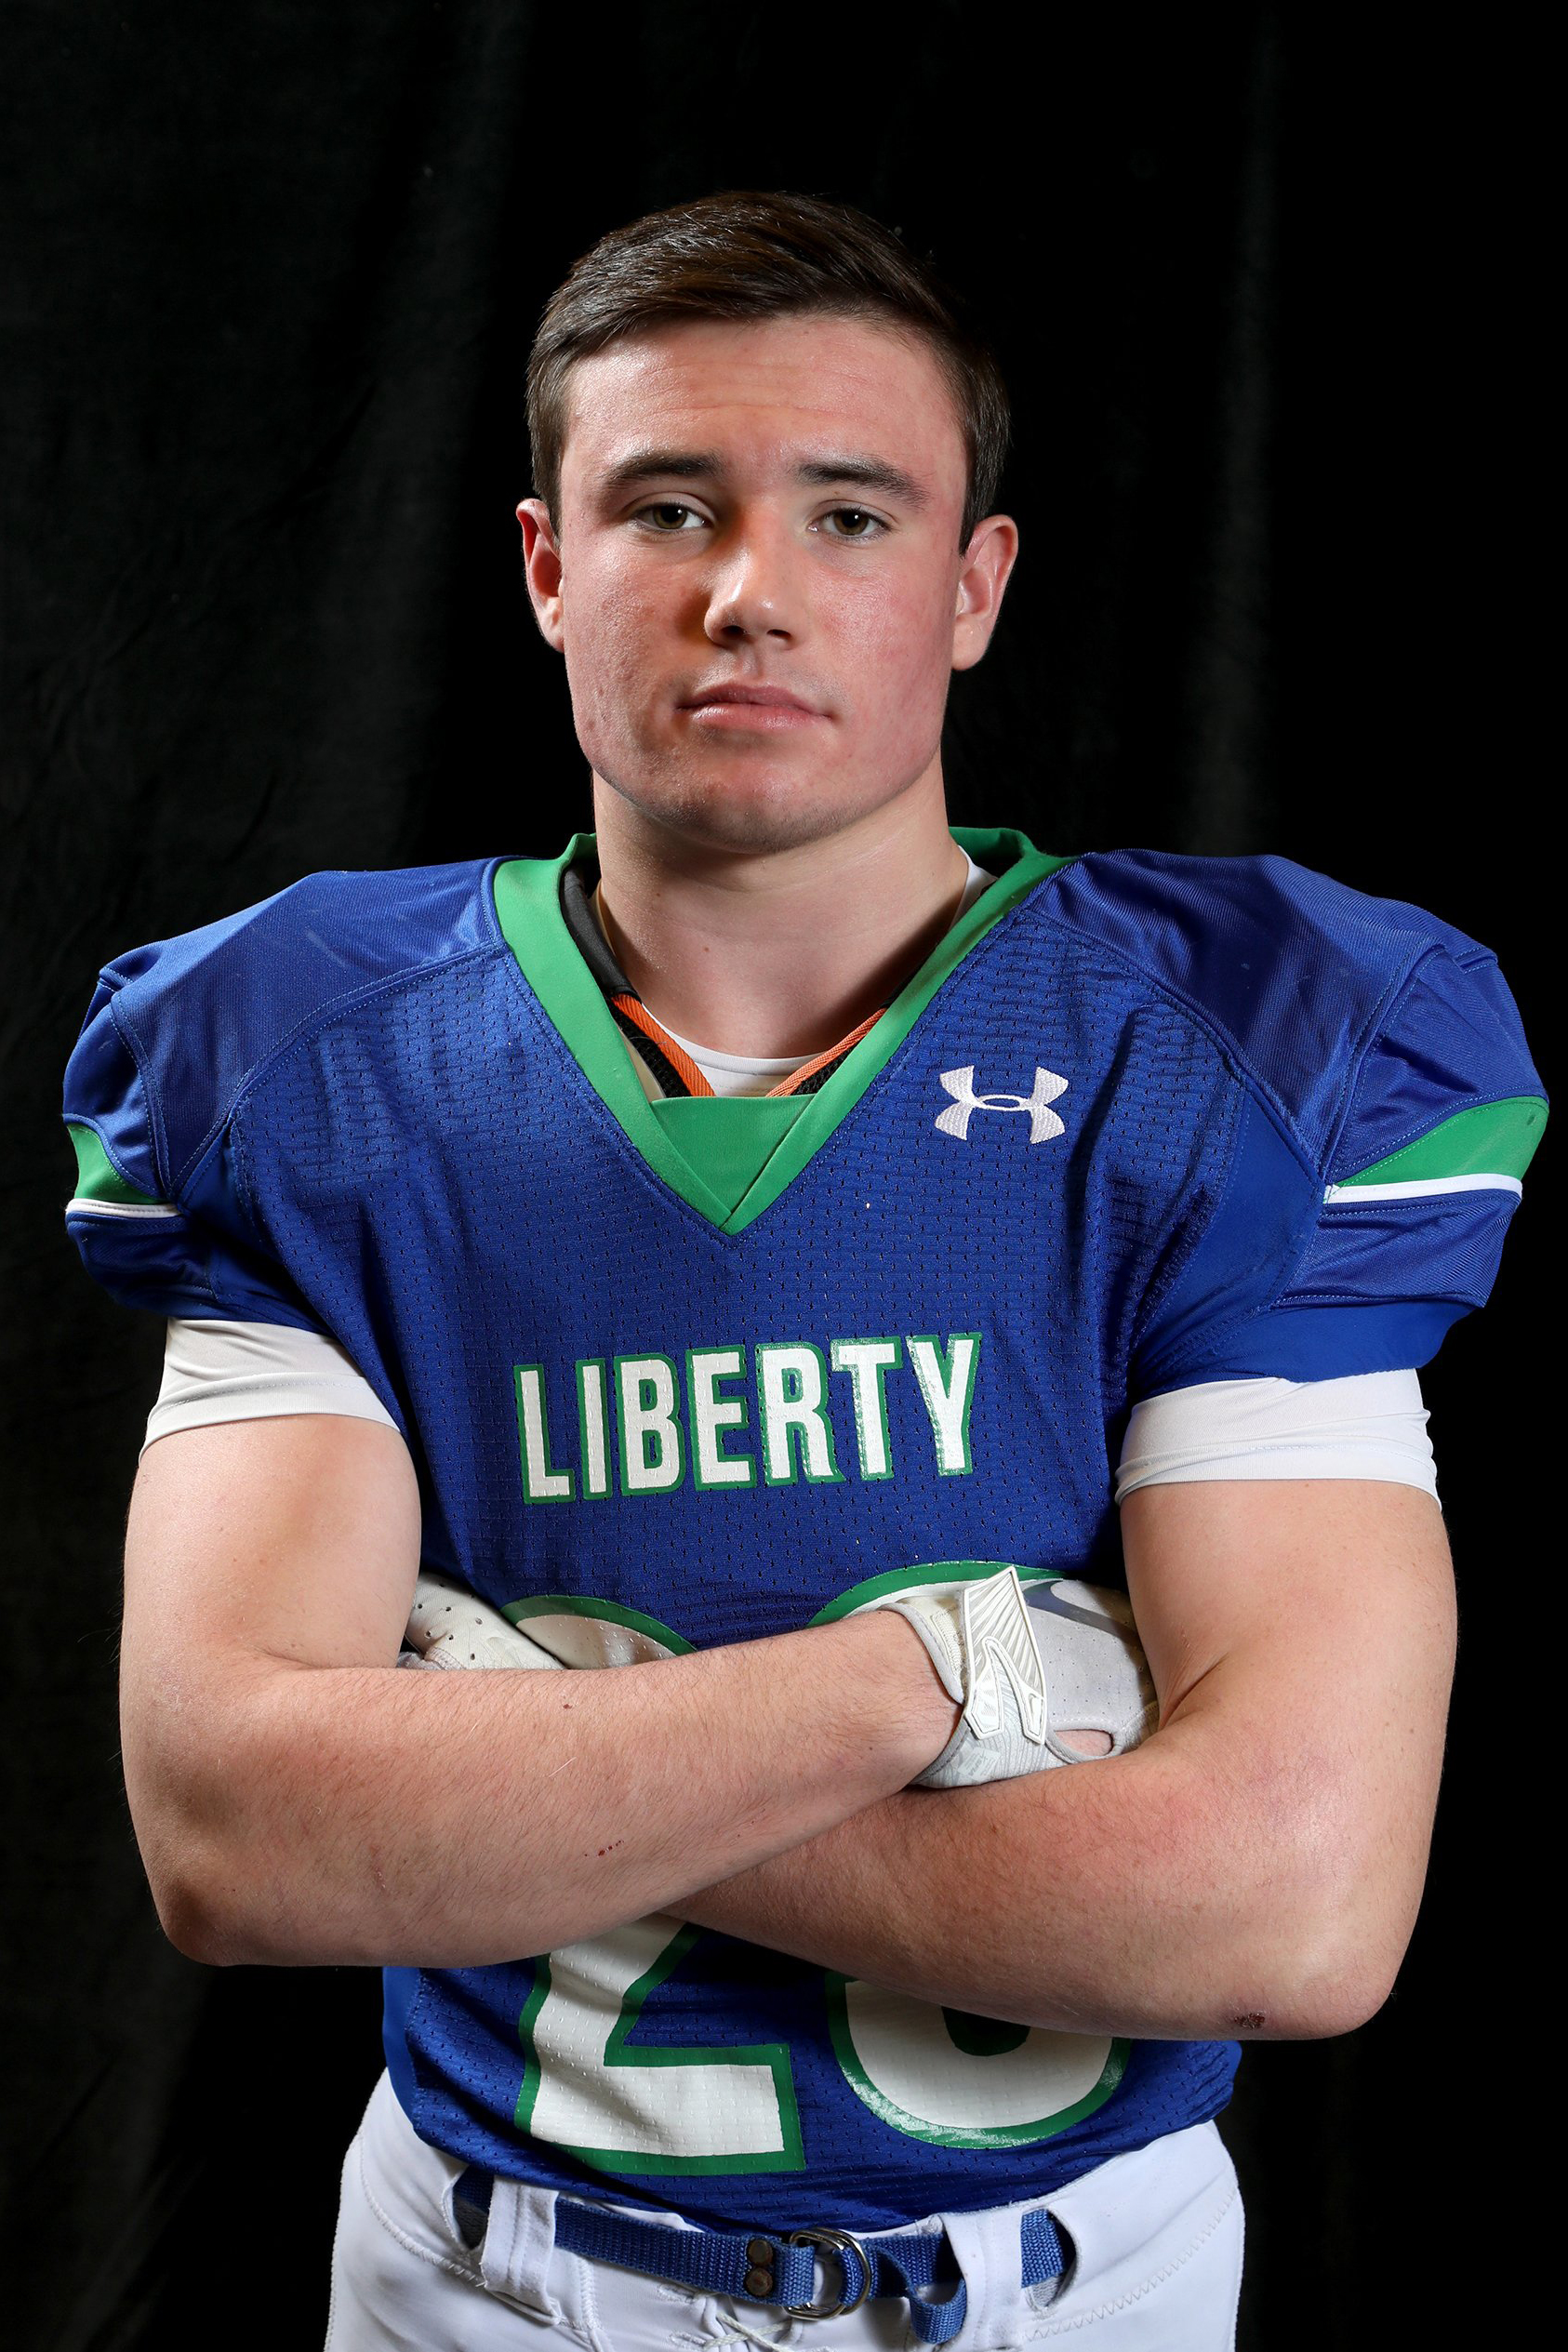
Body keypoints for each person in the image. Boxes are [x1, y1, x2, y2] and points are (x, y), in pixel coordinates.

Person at [62, 192, 1544, 2350]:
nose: (750, 588)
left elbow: (1286, 1910)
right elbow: (237, 1837)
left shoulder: (1244, 1047)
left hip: (1077, 2282)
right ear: (547, 565)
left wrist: (517, 1776)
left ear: (974, 584)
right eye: (668, 506)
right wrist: (944, 1678)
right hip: (489, 2283)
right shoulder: (311, 1057)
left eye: (850, 514)